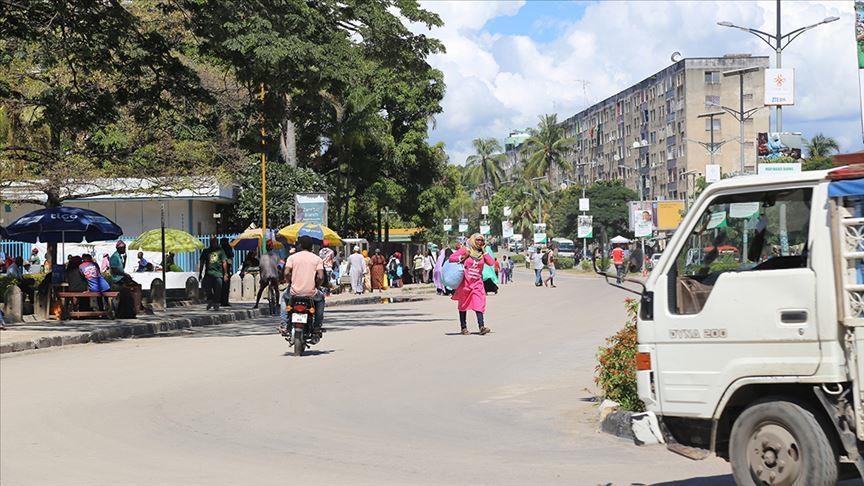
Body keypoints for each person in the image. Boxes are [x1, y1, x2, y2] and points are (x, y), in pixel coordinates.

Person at [449, 234, 494, 335]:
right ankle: (463, 327)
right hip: (465, 282)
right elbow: (451, 258)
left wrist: (484, 251)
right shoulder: (465, 250)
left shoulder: (482, 253)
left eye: (482, 241)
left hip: (477, 283)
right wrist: (463, 256)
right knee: (463, 305)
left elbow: (491, 263)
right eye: (477, 240)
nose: (479, 242)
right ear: (473, 240)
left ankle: (481, 326)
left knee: (479, 303)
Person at [281, 235, 325, 333]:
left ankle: (284, 325)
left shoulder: (292, 258)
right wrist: (316, 286)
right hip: (311, 293)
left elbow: (286, 273)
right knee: (321, 299)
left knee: (283, 298)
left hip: (294, 293)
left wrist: (290, 282)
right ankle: (317, 325)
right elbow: (321, 277)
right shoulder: (317, 259)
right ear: (311, 247)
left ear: (300, 246)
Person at [198, 237, 228, 311]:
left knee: (218, 289)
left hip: (218, 274)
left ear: (216, 242)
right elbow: (202, 263)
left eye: (214, 242)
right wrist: (200, 273)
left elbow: (224, 262)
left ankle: (216, 303)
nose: (213, 243)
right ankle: (211, 300)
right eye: (212, 242)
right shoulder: (206, 251)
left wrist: (225, 274)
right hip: (208, 274)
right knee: (206, 288)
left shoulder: (221, 251)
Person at [253, 241, 280, 309]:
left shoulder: (262, 256)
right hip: (274, 275)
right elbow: (278, 265)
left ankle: (256, 304)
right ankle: (277, 304)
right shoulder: (276, 256)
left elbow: (261, 267)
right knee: (276, 289)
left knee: (261, 289)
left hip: (265, 276)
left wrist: (261, 277)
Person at [220, 237, 234, 307]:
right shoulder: (228, 248)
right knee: (225, 286)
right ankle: (224, 301)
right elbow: (231, 257)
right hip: (226, 269)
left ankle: (221, 300)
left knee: (221, 286)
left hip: (219, 270)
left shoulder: (219, 248)